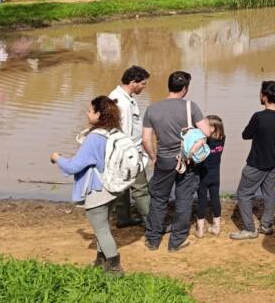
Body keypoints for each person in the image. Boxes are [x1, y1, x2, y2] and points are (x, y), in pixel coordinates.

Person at [51, 96, 124, 275]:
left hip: (97, 190)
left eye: (90, 110)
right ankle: (100, 262)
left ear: (98, 114)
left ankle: (115, 268)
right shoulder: (114, 132)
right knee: (104, 226)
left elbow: (72, 167)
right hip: (113, 188)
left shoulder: (94, 138)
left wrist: (57, 158)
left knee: (101, 229)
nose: (87, 113)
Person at [141, 70, 210, 252]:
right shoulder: (191, 107)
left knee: (158, 199)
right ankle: (176, 241)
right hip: (186, 161)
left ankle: (153, 240)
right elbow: (207, 132)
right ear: (185, 89)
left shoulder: (152, 109)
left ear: (169, 86)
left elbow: (145, 140)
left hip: (163, 159)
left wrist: (153, 156)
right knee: (184, 200)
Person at [231, 80, 275, 240]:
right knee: (269, 192)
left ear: (264, 97)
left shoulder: (258, 117)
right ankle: (267, 225)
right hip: (274, 161)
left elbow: (245, 135)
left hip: (256, 163)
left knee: (243, 194)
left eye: (260, 93)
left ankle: (249, 229)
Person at [109, 65, 151, 228]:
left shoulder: (119, 97)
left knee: (122, 187)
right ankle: (151, 223)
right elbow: (124, 132)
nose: (143, 87)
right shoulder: (123, 103)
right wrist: (131, 155)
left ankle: (123, 218)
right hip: (129, 152)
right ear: (133, 82)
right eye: (143, 84)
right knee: (140, 188)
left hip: (120, 152)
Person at [195, 115, 226, 237]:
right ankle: (216, 227)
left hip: (203, 176)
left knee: (202, 200)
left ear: (212, 128)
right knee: (215, 199)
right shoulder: (223, 139)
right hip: (215, 176)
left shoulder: (205, 140)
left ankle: (200, 230)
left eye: (205, 125)